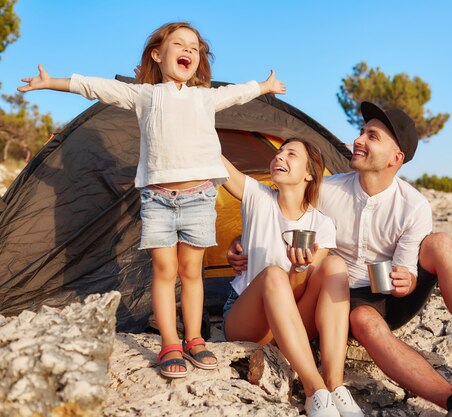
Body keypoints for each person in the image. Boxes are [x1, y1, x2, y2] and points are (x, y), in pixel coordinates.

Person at [18, 21, 286, 379]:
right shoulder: (145, 94)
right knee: (164, 272)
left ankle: (194, 339)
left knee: (192, 272)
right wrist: (52, 82)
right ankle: (170, 343)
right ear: (158, 55)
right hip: (158, 199)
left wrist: (264, 86)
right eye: (180, 44)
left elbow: (237, 93)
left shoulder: (204, 97)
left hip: (199, 197)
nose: (189, 50)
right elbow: (99, 87)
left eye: (195, 46)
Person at [228, 102, 452, 416]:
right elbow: (283, 210)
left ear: (395, 158)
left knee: (439, 243)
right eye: (361, 132)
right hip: (343, 295)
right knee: (361, 316)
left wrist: (407, 281)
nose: (359, 140)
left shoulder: (413, 205)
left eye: (372, 136)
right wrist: (243, 242)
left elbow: (407, 270)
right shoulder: (326, 190)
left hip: (395, 293)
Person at [220, 138, 364, 417]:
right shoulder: (257, 197)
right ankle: (315, 390)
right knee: (274, 275)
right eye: (278, 153)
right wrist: (196, 108)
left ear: (309, 173)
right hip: (248, 323)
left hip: (292, 322)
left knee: (335, 266)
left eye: (291, 154)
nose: (280, 157)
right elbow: (217, 160)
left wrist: (299, 270)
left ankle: (335, 385)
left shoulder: (321, 224)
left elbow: (301, 291)